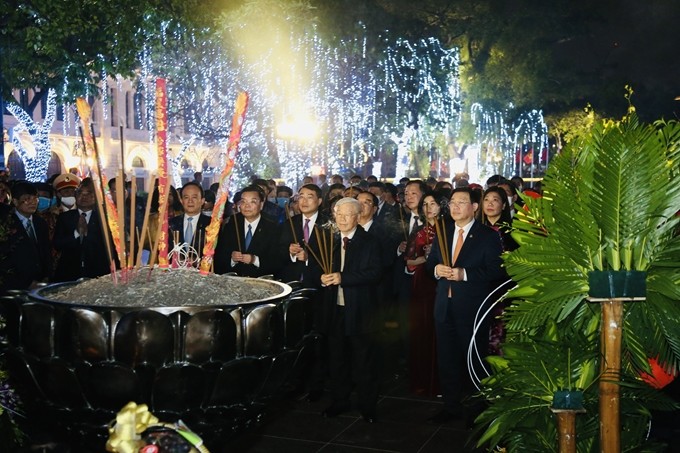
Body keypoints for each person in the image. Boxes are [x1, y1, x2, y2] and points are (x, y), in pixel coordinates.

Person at [425, 187, 504, 423]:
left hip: (472, 307)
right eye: (452, 202)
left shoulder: (487, 235)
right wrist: (437, 270)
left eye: (461, 202)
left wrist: (465, 274)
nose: (455, 207)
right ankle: (450, 407)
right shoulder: (443, 232)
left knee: (473, 359)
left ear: (474, 207)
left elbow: (497, 270)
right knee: (447, 359)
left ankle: (477, 411)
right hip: (444, 306)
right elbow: (430, 265)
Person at [314, 197, 382, 423]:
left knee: (364, 361)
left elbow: (375, 273)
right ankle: (339, 401)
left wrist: (344, 278)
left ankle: (368, 407)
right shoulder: (330, 240)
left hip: (361, 310)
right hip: (335, 310)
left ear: (357, 215)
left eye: (347, 215)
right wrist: (323, 279)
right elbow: (317, 269)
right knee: (337, 359)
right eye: (338, 214)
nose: (342, 219)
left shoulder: (370, 241)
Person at [404, 193, 441, 397]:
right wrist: (424, 259)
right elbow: (409, 261)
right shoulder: (418, 232)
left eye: (433, 204)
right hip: (421, 285)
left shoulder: (447, 230)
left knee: (440, 332)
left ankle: (441, 381)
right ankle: (422, 380)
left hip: (441, 284)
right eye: (425, 204)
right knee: (421, 332)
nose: (428, 208)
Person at [53, 178, 114, 282]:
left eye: (89, 193)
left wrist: (87, 233)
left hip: (97, 274)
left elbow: (109, 247)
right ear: (76, 196)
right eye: (80, 193)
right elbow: (57, 244)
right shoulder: (65, 217)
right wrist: (76, 233)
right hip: (69, 273)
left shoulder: (105, 219)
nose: (84, 196)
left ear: (96, 197)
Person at [214, 185, 281, 277]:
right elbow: (220, 255)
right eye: (243, 201)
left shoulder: (272, 226)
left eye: (253, 201)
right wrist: (232, 259)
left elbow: (277, 260)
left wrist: (254, 260)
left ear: (261, 205)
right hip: (235, 280)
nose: (247, 206)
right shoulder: (232, 224)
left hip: (261, 281)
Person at [0, 181, 52, 292]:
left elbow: (46, 252)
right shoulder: (6, 224)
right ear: (15, 201)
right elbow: (4, 259)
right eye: (27, 198)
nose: (33, 202)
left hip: (41, 285)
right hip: (15, 287)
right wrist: (27, 283)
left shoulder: (40, 223)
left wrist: (47, 276)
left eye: (35, 198)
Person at [168, 182, 211, 266]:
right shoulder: (172, 224)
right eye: (186, 197)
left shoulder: (211, 225)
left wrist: (199, 260)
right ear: (181, 200)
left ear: (202, 201)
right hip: (176, 273)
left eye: (194, 197)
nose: (190, 201)